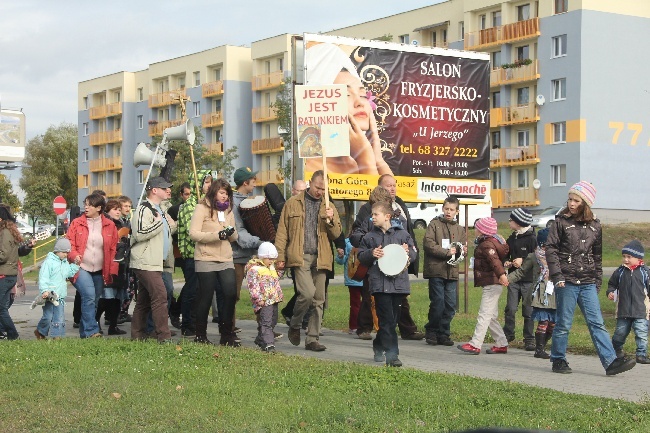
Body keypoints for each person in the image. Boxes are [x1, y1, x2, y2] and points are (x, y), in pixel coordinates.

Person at [546, 181, 636, 375]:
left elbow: (597, 256)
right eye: (570, 199)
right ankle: (558, 359)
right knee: (564, 323)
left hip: (587, 282)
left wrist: (597, 281)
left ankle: (611, 362)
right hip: (566, 280)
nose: (571, 203)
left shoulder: (595, 225)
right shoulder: (560, 221)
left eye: (576, 200)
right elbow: (551, 249)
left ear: (585, 203)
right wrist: (557, 275)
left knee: (597, 323)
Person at [350, 175, 424, 341]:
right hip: (374, 262)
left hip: (394, 263)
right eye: (388, 186)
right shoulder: (367, 212)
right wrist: (370, 245)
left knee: (398, 296)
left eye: (394, 186)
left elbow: (407, 235)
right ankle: (367, 329)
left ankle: (406, 329)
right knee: (371, 295)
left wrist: (408, 251)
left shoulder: (398, 208)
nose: (392, 189)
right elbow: (356, 235)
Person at [275, 170, 342, 351]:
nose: (319, 191)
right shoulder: (292, 203)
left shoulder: (329, 206)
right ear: (309, 183)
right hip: (300, 256)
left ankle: (312, 338)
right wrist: (280, 257)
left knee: (319, 300)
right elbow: (282, 233)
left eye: (323, 189)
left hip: (322, 257)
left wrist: (330, 220)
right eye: (317, 187)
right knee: (306, 293)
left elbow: (336, 234)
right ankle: (295, 324)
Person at [304, 42, 392, 176]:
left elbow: (392, 195)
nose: (360, 103)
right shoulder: (314, 166)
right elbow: (375, 196)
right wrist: (365, 160)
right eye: (346, 94)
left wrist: (378, 160)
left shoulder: (351, 161)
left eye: (363, 95)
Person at [358, 202, 417, 367]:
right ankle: (393, 356)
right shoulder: (370, 237)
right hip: (379, 285)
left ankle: (378, 344)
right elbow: (361, 256)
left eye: (376, 214)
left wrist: (408, 252)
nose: (372, 217)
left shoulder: (402, 234)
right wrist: (371, 253)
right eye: (372, 215)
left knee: (393, 319)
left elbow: (414, 253)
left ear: (387, 216)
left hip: (398, 284)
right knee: (386, 320)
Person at [189, 177, 240, 346]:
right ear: (214, 192)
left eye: (227, 194)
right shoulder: (201, 208)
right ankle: (200, 334)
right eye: (222, 193)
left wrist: (230, 233)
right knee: (205, 296)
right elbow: (194, 234)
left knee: (230, 293)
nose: (225, 197)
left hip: (225, 257)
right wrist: (216, 236)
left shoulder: (228, 211)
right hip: (206, 257)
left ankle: (226, 334)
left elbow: (234, 237)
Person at [129, 177, 174, 343]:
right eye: (164, 188)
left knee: (144, 300)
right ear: (154, 190)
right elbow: (139, 233)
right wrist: (158, 225)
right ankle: (163, 336)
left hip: (155, 262)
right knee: (161, 296)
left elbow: (165, 231)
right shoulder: (143, 208)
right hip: (145, 261)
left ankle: (138, 334)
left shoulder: (159, 209)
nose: (168, 190)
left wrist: (170, 224)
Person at [67, 193, 118, 339]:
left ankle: (85, 333)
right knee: (88, 296)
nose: (86, 207)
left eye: (90, 204)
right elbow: (69, 243)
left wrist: (112, 270)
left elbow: (113, 249)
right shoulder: (76, 223)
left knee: (94, 300)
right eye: (85, 204)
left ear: (99, 207)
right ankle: (91, 331)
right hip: (81, 267)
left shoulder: (110, 225)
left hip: (101, 269)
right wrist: (74, 255)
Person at [457, 217, 510, 355]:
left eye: (477, 228)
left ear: (482, 231)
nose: (475, 230)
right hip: (492, 281)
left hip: (492, 282)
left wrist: (501, 275)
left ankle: (475, 344)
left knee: (484, 314)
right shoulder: (493, 242)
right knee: (491, 316)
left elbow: (495, 262)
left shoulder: (487, 245)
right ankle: (501, 343)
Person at [423, 196, 467, 347]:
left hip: (452, 271)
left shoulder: (460, 229)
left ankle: (444, 333)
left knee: (450, 304)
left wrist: (462, 251)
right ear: (443, 209)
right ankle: (432, 330)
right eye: (446, 209)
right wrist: (445, 252)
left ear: (457, 211)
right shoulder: (434, 224)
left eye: (452, 210)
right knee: (438, 302)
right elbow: (428, 244)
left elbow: (463, 248)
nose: (449, 212)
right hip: (436, 270)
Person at [507, 228, 557, 359]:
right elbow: (521, 272)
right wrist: (507, 279)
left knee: (553, 323)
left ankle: (542, 345)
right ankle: (539, 349)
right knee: (544, 320)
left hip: (556, 291)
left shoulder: (559, 256)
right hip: (541, 292)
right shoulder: (534, 256)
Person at [177, 170, 213, 336]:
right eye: (206, 182)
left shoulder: (209, 204)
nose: (209, 185)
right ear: (197, 184)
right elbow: (195, 230)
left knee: (202, 291)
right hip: (192, 255)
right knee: (191, 290)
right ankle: (187, 324)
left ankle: (198, 322)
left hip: (207, 255)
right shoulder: (188, 206)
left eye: (210, 182)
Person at [606, 240, 650, 364]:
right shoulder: (620, 271)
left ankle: (641, 354)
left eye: (629, 257)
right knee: (620, 332)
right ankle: (615, 349)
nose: (625, 259)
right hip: (623, 309)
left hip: (640, 310)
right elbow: (611, 284)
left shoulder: (645, 272)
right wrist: (610, 291)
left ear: (638, 258)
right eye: (624, 256)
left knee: (641, 332)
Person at [231, 167, 263, 335]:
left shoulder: (248, 200)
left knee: (258, 294)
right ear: (245, 182)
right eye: (253, 181)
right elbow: (239, 233)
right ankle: (229, 327)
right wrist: (260, 242)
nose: (255, 184)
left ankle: (264, 329)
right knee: (233, 294)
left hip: (250, 254)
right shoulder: (233, 204)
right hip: (236, 256)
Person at [503, 207, 537, 350]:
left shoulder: (532, 239)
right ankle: (508, 333)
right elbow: (506, 252)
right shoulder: (512, 238)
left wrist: (522, 260)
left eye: (511, 220)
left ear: (519, 222)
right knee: (510, 308)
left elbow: (536, 258)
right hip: (514, 279)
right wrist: (506, 260)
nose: (509, 222)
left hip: (528, 280)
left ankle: (529, 338)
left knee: (528, 310)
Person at [0, 206, 35, 340]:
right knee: (2, 308)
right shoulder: (9, 231)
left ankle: (13, 335)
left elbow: (3, 255)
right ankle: (11, 335)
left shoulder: (4, 233)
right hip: (9, 274)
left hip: (5, 275)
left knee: (1, 309)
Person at [33, 238, 80, 340]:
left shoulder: (64, 262)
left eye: (67, 253)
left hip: (60, 296)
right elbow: (43, 277)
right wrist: (44, 290)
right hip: (49, 295)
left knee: (59, 317)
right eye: (64, 252)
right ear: (57, 251)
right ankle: (40, 331)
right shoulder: (49, 262)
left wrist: (75, 265)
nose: (66, 255)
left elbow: (69, 272)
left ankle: (57, 335)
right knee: (48, 316)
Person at [95, 200, 128, 335]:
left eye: (119, 209)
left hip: (120, 265)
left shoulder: (122, 224)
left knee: (117, 298)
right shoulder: (104, 224)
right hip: (108, 264)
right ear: (107, 211)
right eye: (115, 209)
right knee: (106, 297)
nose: (118, 211)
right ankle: (95, 322)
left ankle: (113, 326)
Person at [246, 242, 284, 352]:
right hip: (264, 301)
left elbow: (276, 278)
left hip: (273, 299)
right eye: (269, 259)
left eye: (273, 259)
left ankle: (260, 338)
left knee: (273, 320)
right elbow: (253, 286)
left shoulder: (270, 267)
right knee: (266, 321)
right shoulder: (254, 269)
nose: (272, 261)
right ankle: (269, 343)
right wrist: (258, 299)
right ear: (262, 257)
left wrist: (280, 269)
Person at [167, 183, 191, 329]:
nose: (188, 197)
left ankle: (176, 309)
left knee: (192, 284)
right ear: (182, 195)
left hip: (191, 251)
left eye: (190, 194)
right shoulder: (175, 209)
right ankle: (175, 309)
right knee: (188, 284)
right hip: (178, 251)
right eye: (186, 194)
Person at [335, 237, 363, 334]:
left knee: (364, 303)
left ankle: (362, 325)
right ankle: (354, 326)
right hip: (354, 278)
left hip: (365, 278)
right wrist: (341, 255)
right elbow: (340, 261)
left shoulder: (370, 239)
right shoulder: (347, 243)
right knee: (356, 304)